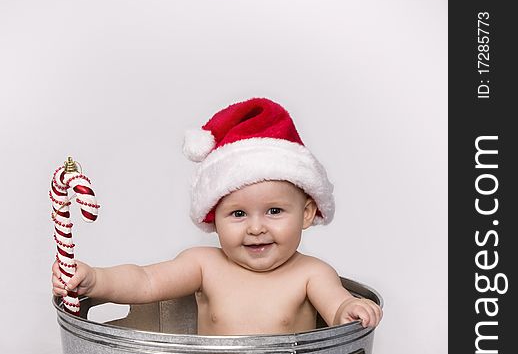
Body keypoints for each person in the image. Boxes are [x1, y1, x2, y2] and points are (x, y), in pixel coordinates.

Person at [52, 98, 382, 336]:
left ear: (307, 213)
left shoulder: (311, 274)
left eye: (274, 211)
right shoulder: (203, 265)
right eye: (238, 213)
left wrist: (348, 311)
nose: (256, 228)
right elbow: (145, 281)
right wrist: (94, 279)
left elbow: (337, 309)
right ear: (214, 219)